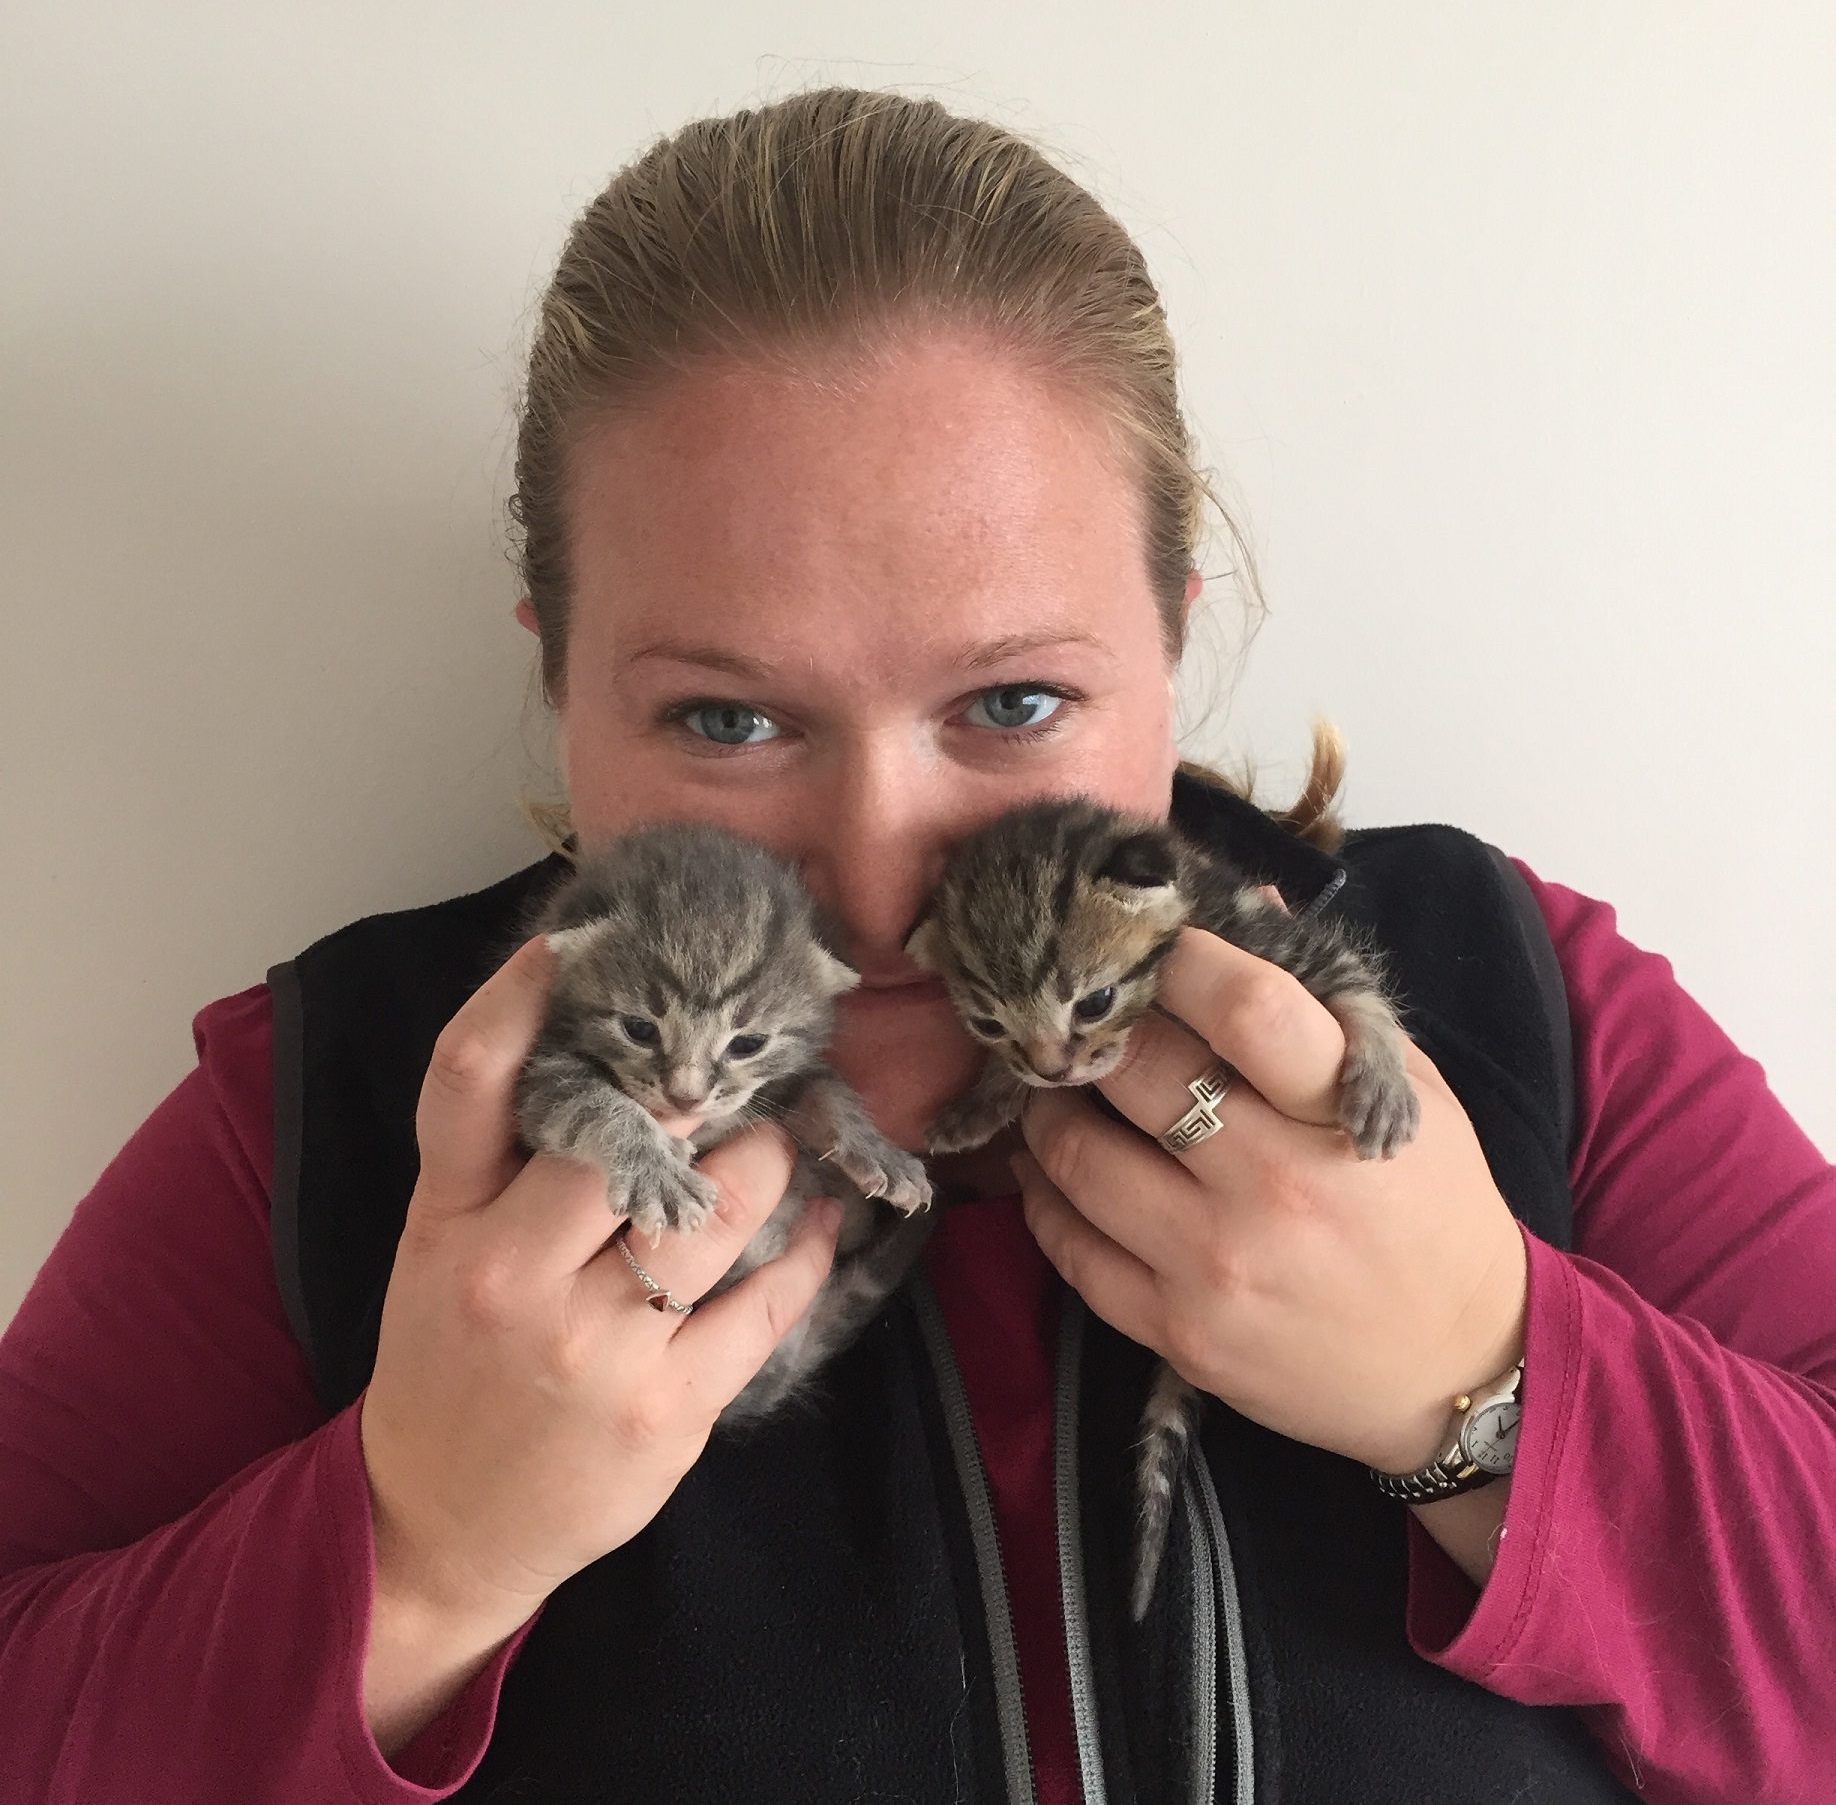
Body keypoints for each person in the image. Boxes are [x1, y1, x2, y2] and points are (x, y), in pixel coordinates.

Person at [1, 88, 1831, 1805]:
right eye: (726, 719)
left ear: (1174, 639)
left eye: (1014, 701)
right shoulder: (327, 1106)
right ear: (559, 674)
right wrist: (416, 1551)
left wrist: (1488, 1389)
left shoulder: (1510, 992)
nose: (878, 891)